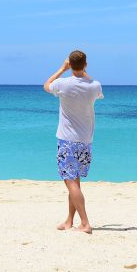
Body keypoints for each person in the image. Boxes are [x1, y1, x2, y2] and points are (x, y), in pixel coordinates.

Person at [44, 50, 103, 234]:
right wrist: (81, 71)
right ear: (85, 65)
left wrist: (62, 68)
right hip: (85, 140)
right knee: (75, 181)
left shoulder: (63, 84)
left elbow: (46, 85)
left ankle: (85, 223)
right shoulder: (94, 85)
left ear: (70, 64)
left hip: (68, 140)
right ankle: (70, 220)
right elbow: (92, 83)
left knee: (70, 181)